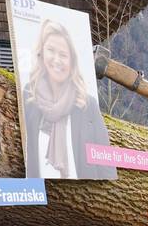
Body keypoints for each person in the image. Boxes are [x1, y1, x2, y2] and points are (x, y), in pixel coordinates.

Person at [21, 19, 114, 180]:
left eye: (63, 54)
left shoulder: (87, 103)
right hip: (40, 198)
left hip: (83, 198)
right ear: (42, 53)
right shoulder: (30, 95)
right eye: (51, 50)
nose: (56, 60)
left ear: (72, 61)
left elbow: (106, 166)